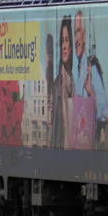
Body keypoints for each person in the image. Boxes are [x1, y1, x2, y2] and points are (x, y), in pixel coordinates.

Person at [73, 11, 108, 145]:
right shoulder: (76, 73)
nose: (76, 38)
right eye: (74, 33)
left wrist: (91, 93)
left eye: (78, 31)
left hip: (89, 145)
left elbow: (103, 112)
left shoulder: (91, 67)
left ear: (84, 34)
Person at [49, 16, 74, 148]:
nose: (64, 46)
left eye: (67, 40)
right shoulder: (57, 84)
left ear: (71, 46)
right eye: (62, 41)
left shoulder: (74, 83)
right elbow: (55, 129)